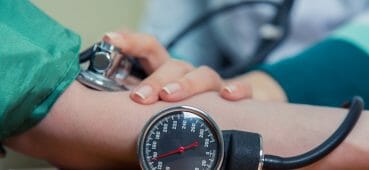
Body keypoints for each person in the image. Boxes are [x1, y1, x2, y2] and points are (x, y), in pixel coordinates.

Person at [1, 0, 369, 169]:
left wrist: (262, 90)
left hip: (325, 86)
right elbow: (178, 32)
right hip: (224, 93)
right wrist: (166, 75)